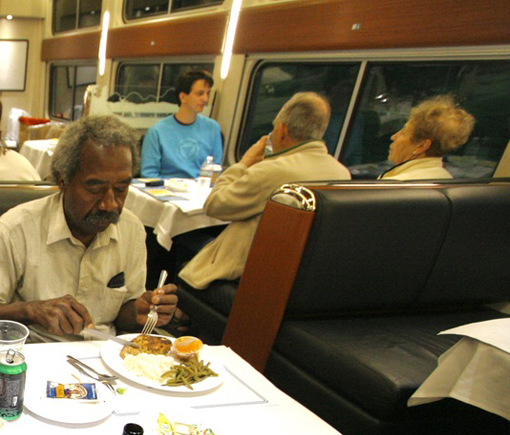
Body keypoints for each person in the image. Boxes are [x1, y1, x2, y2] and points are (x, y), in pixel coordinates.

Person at [0, 115, 177, 340]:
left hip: (106, 358)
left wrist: (139, 312)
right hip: (36, 356)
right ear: (63, 180)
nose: (110, 204)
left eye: (122, 188)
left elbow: (123, 314)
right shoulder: (17, 228)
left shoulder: (131, 229)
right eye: (95, 189)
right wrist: (32, 310)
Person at [178, 92, 351, 290]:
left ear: (282, 130)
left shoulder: (270, 171)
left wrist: (243, 164)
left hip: (249, 272)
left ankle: (178, 306)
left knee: (184, 243)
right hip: (300, 277)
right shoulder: (342, 173)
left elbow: (215, 205)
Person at [140, 69, 223, 179]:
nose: (205, 99)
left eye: (207, 93)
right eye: (200, 94)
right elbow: (148, 174)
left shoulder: (213, 128)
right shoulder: (156, 132)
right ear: (183, 97)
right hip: (166, 191)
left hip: (200, 190)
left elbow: (216, 170)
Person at [380, 95, 475, 180]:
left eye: (404, 133)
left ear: (422, 146)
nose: (393, 137)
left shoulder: (393, 186)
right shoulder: (445, 178)